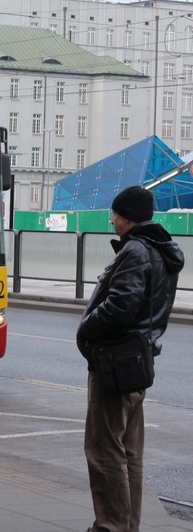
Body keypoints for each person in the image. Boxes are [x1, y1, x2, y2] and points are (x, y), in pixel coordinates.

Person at [76, 186, 184, 532]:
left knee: (105, 449)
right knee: (129, 452)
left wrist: (86, 328)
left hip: (116, 362)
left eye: (115, 214)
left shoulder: (136, 250)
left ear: (126, 217)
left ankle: (111, 526)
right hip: (137, 361)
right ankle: (126, 525)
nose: (112, 220)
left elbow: (122, 305)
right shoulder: (158, 249)